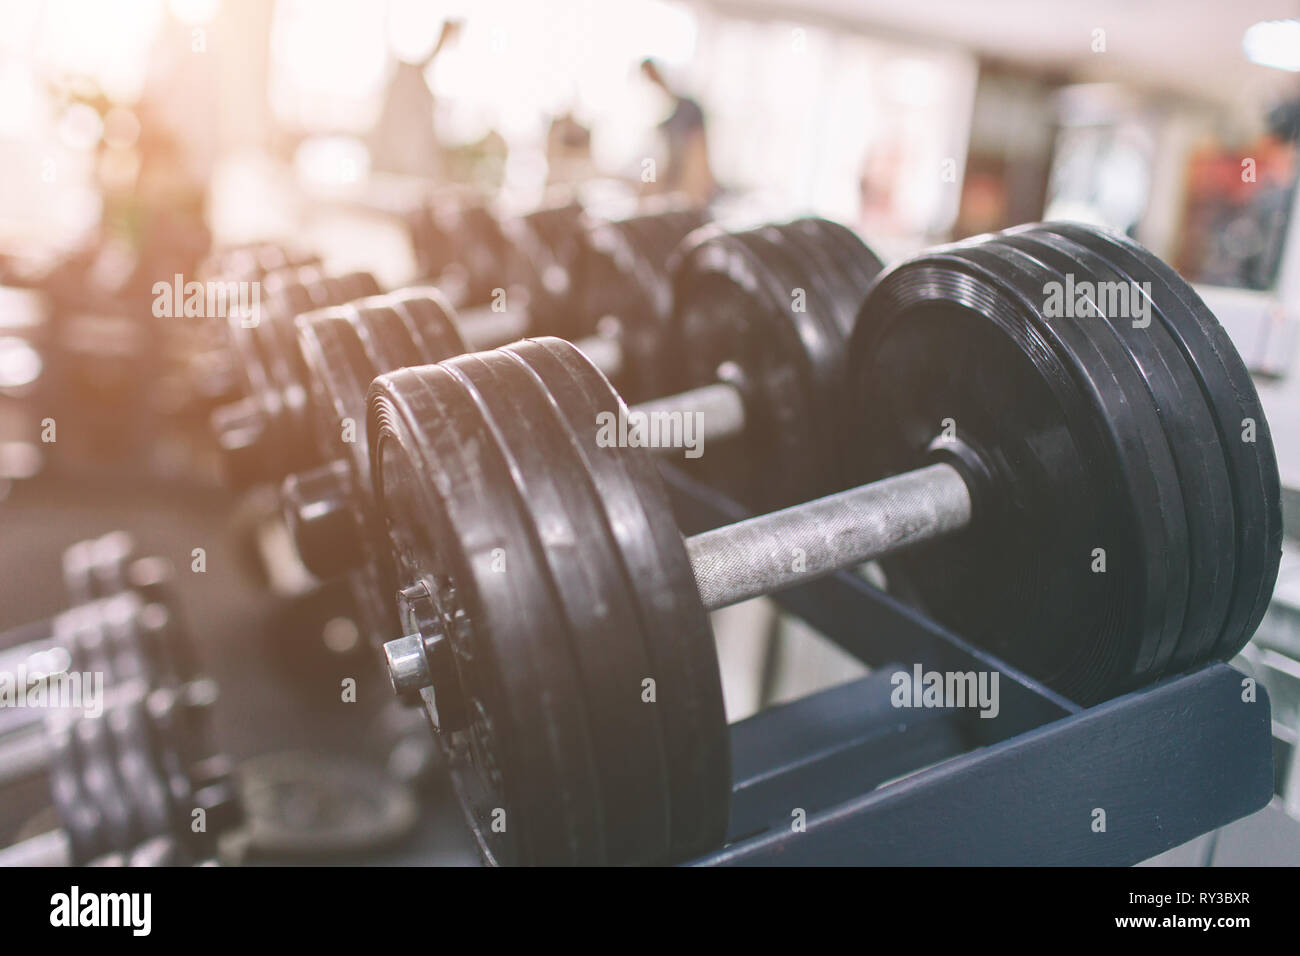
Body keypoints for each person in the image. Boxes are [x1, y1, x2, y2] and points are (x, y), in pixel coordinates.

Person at [640, 58, 716, 204]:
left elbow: (699, 156)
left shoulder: (688, 109)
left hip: (692, 195)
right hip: (671, 194)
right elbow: (653, 165)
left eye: (651, 75)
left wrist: (692, 198)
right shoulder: (659, 120)